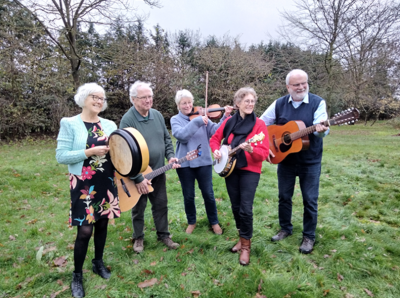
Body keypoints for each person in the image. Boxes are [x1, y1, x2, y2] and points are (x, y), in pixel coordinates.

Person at [56, 83, 120, 298]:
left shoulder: (109, 124)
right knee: (85, 230)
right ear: (84, 98)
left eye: (102, 98)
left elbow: (120, 152)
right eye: (95, 97)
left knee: (102, 224)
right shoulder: (70, 123)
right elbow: (61, 156)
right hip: (83, 182)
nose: (99, 101)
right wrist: (89, 151)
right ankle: (76, 275)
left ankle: (98, 263)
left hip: (106, 179)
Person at [260, 69, 329, 254]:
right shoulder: (279, 103)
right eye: (296, 84)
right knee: (284, 197)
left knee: (310, 200)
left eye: (304, 83)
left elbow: (320, 128)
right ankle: (285, 229)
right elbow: (260, 123)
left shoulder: (317, 102)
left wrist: (321, 129)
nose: (301, 87)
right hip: (285, 160)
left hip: (310, 160)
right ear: (288, 86)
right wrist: (266, 145)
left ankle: (309, 236)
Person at [210, 87, 269, 265]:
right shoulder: (228, 121)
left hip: (250, 170)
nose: (250, 104)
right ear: (238, 103)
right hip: (230, 169)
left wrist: (251, 149)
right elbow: (214, 139)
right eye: (247, 101)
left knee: (245, 208)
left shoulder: (260, 125)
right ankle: (241, 236)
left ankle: (246, 247)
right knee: (235, 206)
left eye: (252, 101)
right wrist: (216, 152)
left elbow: (264, 153)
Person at [120, 81, 180, 253]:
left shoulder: (157, 115)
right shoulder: (128, 120)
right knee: (139, 208)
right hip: (138, 175)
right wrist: (138, 178)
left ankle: (164, 235)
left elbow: (166, 139)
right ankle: (138, 238)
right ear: (133, 99)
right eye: (143, 97)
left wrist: (170, 156)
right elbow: (123, 153)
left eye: (150, 96)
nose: (148, 100)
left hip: (158, 171)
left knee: (161, 204)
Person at [170, 89, 233, 235]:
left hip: (203, 161)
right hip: (185, 163)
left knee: (208, 194)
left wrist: (225, 116)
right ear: (178, 104)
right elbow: (181, 135)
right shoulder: (175, 120)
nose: (187, 105)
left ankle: (214, 222)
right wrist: (198, 121)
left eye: (189, 102)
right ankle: (191, 221)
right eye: (183, 103)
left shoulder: (202, 116)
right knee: (189, 195)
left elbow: (216, 131)